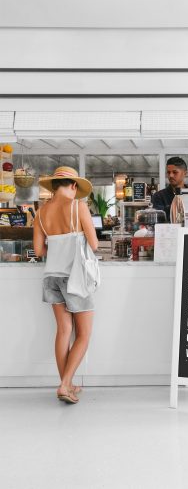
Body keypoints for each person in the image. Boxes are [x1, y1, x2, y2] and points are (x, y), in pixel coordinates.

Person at [33, 166, 98, 405]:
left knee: (63, 331)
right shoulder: (78, 207)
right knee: (84, 334)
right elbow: (94, 244)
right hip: (75, 278)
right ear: (73, 186)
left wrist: (58, 248)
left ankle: (67, 384)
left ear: (53, 187)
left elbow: (39, 251)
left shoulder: (40, 213)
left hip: (51, 276)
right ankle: (64, 384)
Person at [151, 156, 188, 222]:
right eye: (168, 172)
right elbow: (159, 220)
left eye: (175, 172)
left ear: (184, 173)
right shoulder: (158, 196)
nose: (170, 175)